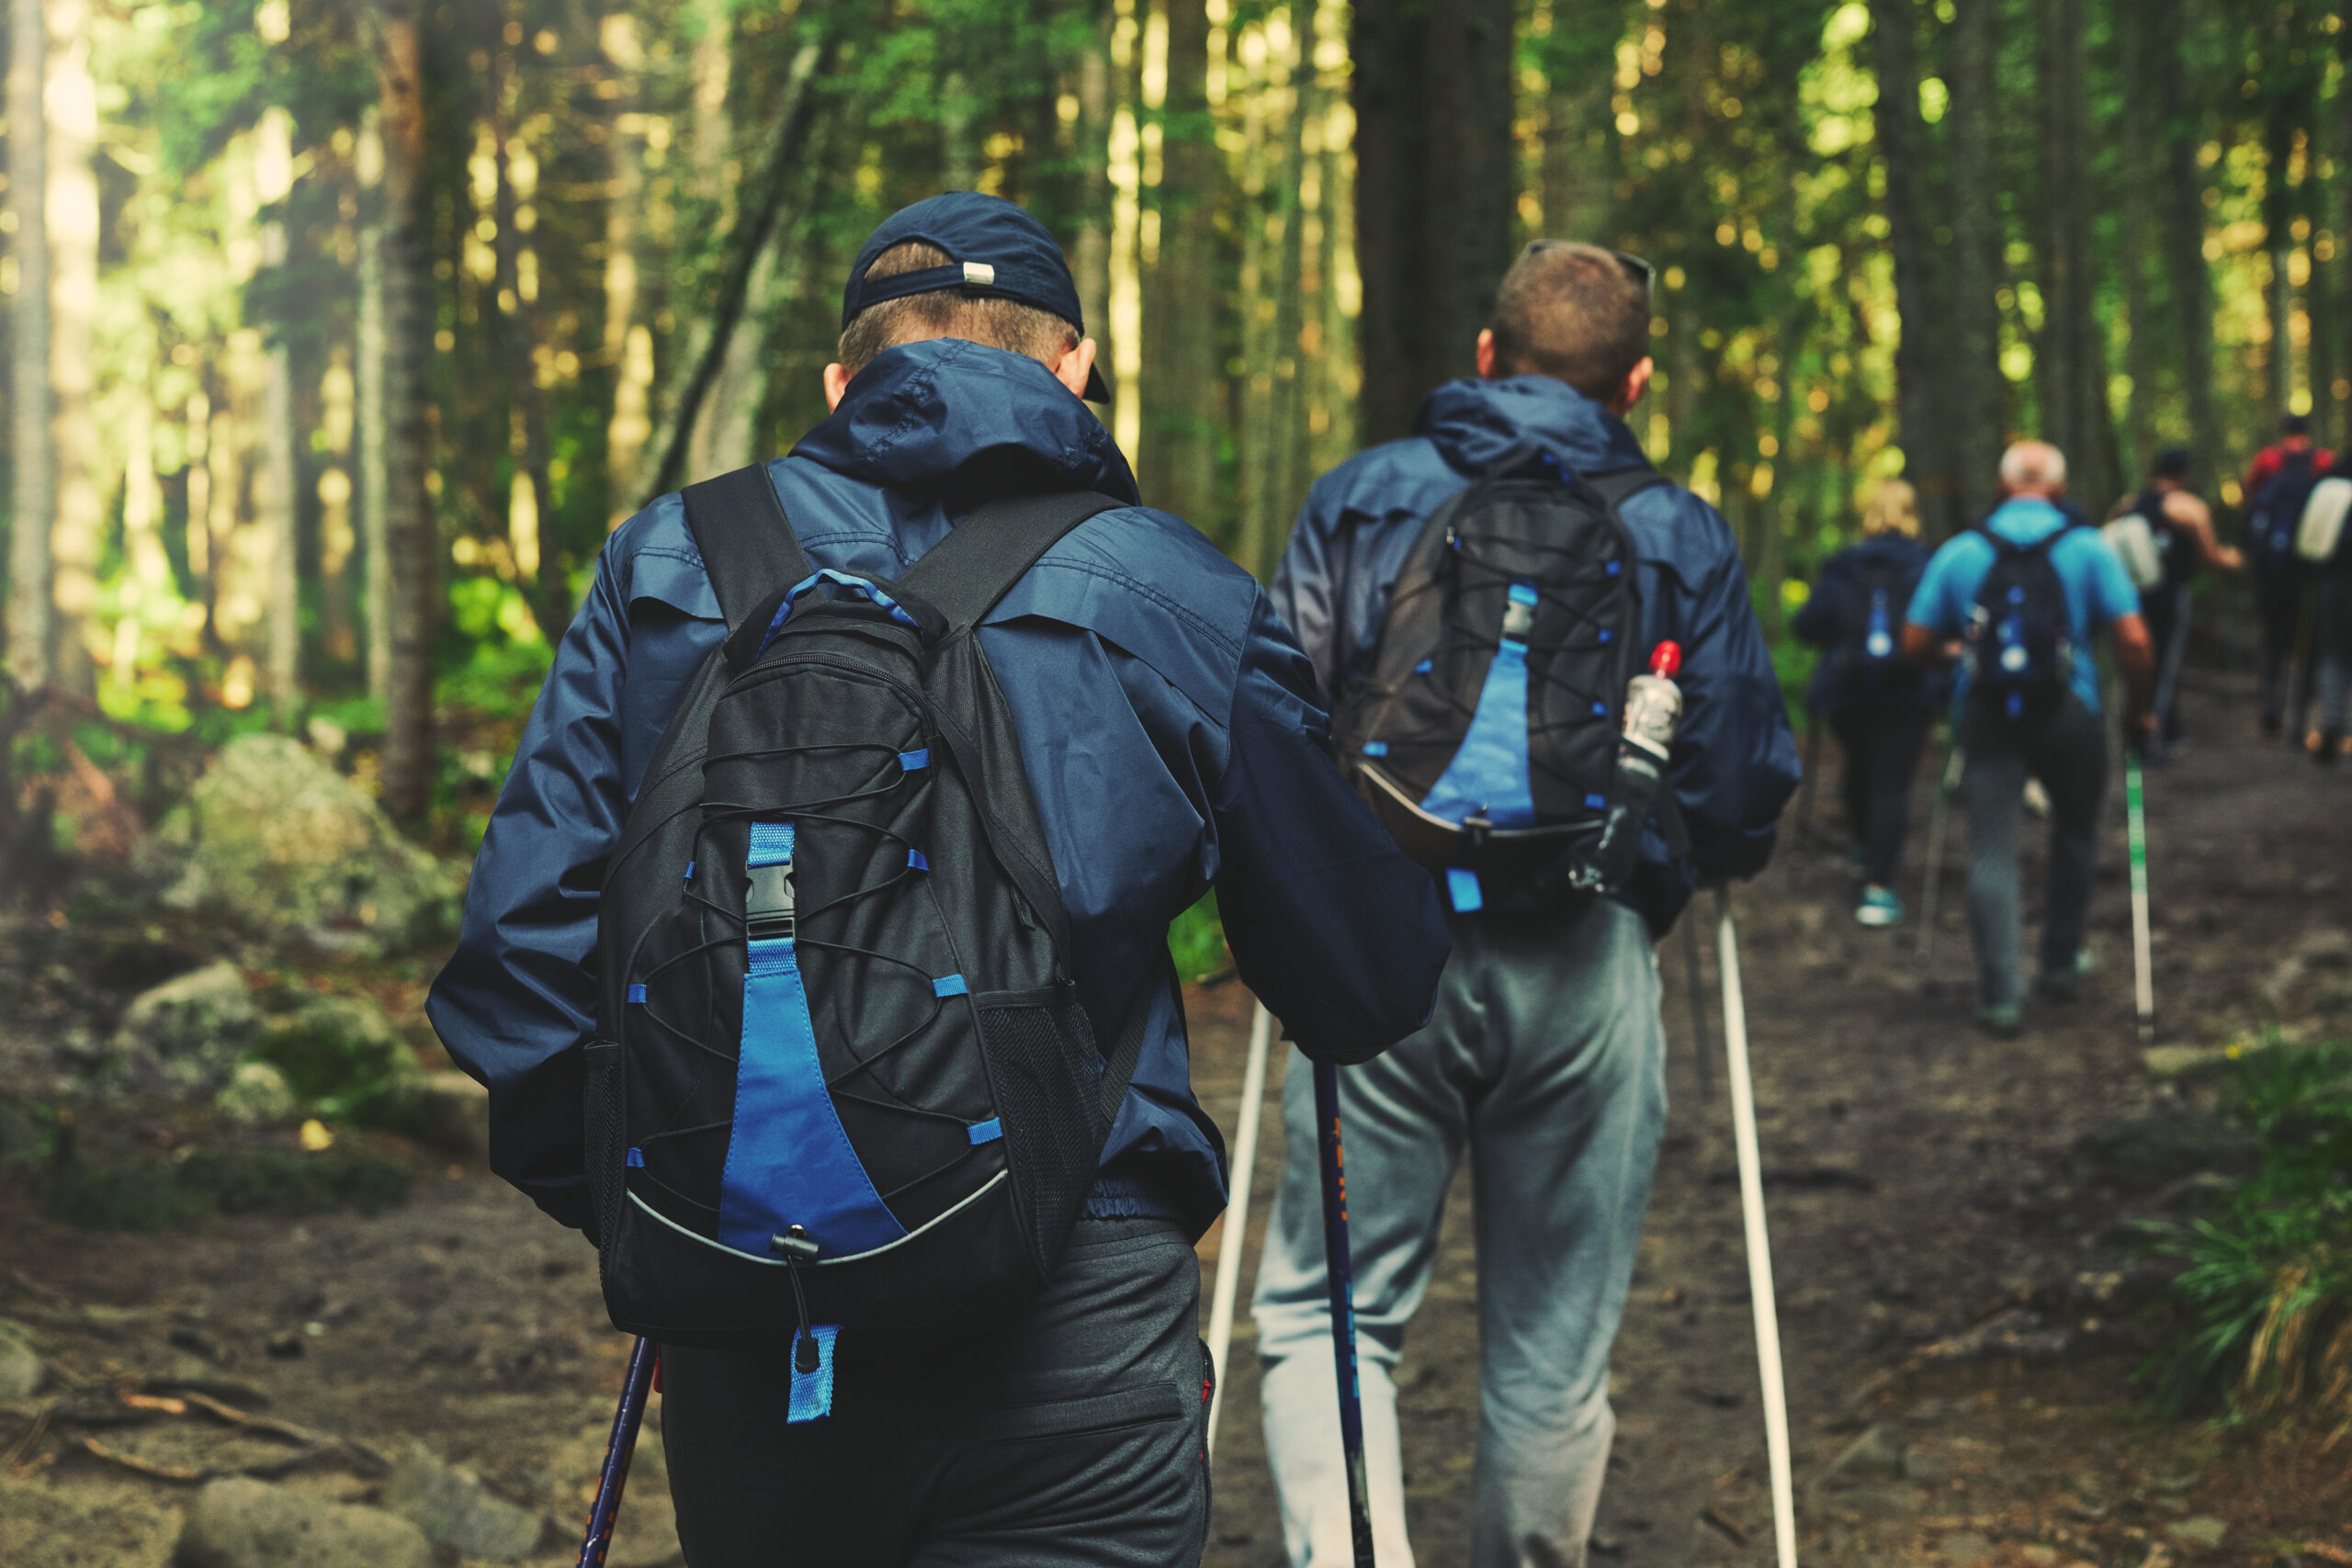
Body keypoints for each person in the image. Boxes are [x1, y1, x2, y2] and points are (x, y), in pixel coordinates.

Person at [427, 192, 1453, 1567]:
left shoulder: (668, 562)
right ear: (1075, 366)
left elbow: (516, 973)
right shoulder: (1167, 588)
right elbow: (1366, 972)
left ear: (844, 382)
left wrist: (684, 1223)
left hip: (759, 1329)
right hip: (1076, 1307)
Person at [1257, 240, 1800, 1568]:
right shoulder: (1678, 527)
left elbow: (1272, 714)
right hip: (1586, 954)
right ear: (1638, 382)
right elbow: (1739, 781)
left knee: (1331, 1309)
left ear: (1486, 357)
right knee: (1554, 1346)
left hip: (1376, 956)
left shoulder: (1367, 494)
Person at [1902, 441, 2154, 1038]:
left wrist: (1958, 650)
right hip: (2072, 710)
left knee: (1992, 847)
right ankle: (2060, 964)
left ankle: (2000, 996)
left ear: (2002, 485)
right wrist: (2140, 711)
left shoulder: (1962, 551)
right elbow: (2136, 641)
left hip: (1988, 712)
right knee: (2075, 831)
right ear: (2060, 489)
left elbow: (1913, 644)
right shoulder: (2089, 546)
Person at [1793, 477, 1937, 927]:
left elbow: (1809, 625)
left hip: (1848, 691)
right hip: (1908, 691)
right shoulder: (1928, 565)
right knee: (1892, 783)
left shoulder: (1842, 566)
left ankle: (1862, 851)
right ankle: (1878, 887)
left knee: (1860, 767)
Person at [2115, 448, 2239, 756]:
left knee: (2139, 663)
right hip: (2170, 596)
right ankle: (2152, 740)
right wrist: (2234, 559)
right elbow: (2211, 556)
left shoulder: (2128, 505)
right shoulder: (2188, 507)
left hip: (2132, 598)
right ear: (2183, 474)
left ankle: (2155, 731)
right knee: (2165, 664)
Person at [2243, 412, 2334, 504]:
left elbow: (2251, 485)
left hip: (2275, 514)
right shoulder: (2322, 459)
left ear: (2284, 436)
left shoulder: (2268, 458)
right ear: (2308, 437)